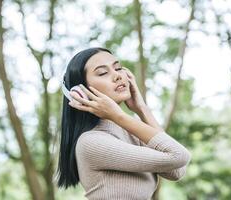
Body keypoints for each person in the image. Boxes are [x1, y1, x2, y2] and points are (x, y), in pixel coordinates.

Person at [56, 47, 191, 200]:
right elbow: (179, 156)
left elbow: (176, 171)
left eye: (118, 68)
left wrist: (141, 108)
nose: (118, 76)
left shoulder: (130, 131)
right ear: (81, 93)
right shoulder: (90, 142)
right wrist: (118, 115)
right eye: (102, 73)